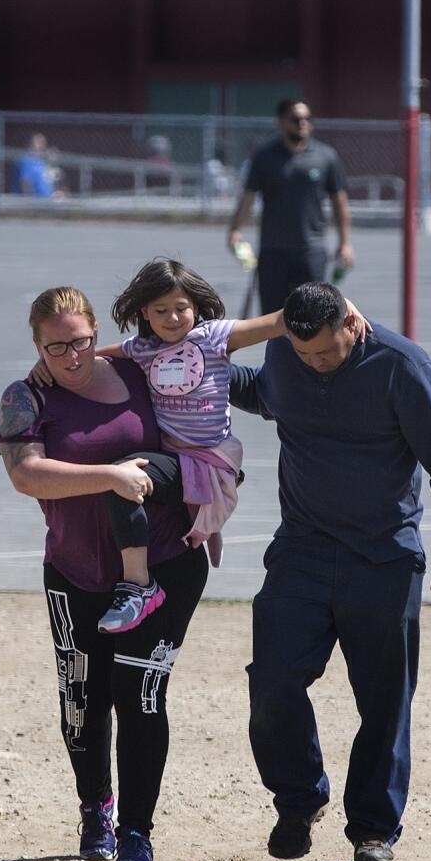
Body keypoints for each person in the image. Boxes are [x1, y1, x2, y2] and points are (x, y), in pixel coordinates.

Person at [227, 282, 431, 861]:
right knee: (273, 680)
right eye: (304, 354)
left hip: (383, 558)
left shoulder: (401, 365)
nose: (315, 364)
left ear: (352, 325)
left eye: (326, 353)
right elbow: (264, 392)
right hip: (303, 552)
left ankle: (373, 829)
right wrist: (196, 364)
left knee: (385, 699)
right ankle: (299, 799)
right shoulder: (288, 353)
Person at [0, 286, 210, 861]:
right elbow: (27, 474)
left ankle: (137, 832)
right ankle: (97, 808)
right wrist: (109, 476)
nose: (70, 356)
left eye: (80, 342)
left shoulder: (138, 367)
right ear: (37, 344)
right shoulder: (26, 397)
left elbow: (215, 345)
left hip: (162, 564)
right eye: (54, 346)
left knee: (139, 694)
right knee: (82, 698)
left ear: (97, 334)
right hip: (76, 571)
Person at [77, 259, 285, 634]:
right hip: (172, 458)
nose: (172, 318)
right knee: (121, 479)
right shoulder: (141, 349)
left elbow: (276, 322)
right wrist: (53, 364)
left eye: (181, 308)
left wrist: (341, 306)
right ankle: (141, 586)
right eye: (161, 310)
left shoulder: (214, 336)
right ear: (145, 312)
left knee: (126, 474)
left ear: (196, 306)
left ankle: (138, 588)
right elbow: (95, 359)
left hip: (211, 461)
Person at [228, 98, 353, 315]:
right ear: (281, 122)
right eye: (296, 119)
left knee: (313, 316)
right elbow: (248, 197)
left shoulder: (326, 157)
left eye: (307, 119)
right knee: (273, 318)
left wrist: (345, 243)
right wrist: (235, 230)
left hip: (311, 252)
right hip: (273, 252)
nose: (303, 123)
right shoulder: (265, 157)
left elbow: (339, 202)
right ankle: (278, 351)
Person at [14, 133, 54, 198]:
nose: (42, 145)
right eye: (38, 142)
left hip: (44, 203)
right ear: (30, 144)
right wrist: (30, 202)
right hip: (31, 204)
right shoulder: (26, 160)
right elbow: (25, 182)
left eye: (43, 142)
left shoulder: (41, 162)